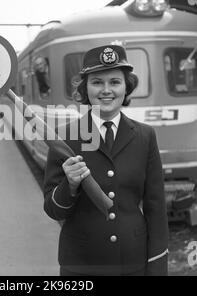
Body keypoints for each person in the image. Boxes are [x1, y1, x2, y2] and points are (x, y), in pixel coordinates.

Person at [43, 45, 169, 276]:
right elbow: (53, 209)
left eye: (115, 82)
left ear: (126, 87)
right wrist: (69, 186)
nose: (106, 90)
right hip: (81, 265)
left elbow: (156, 207)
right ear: (85, 88)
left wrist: (158, 265)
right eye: (97, 82)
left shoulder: (145, 136)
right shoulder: (65, 137)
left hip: (133, 262)